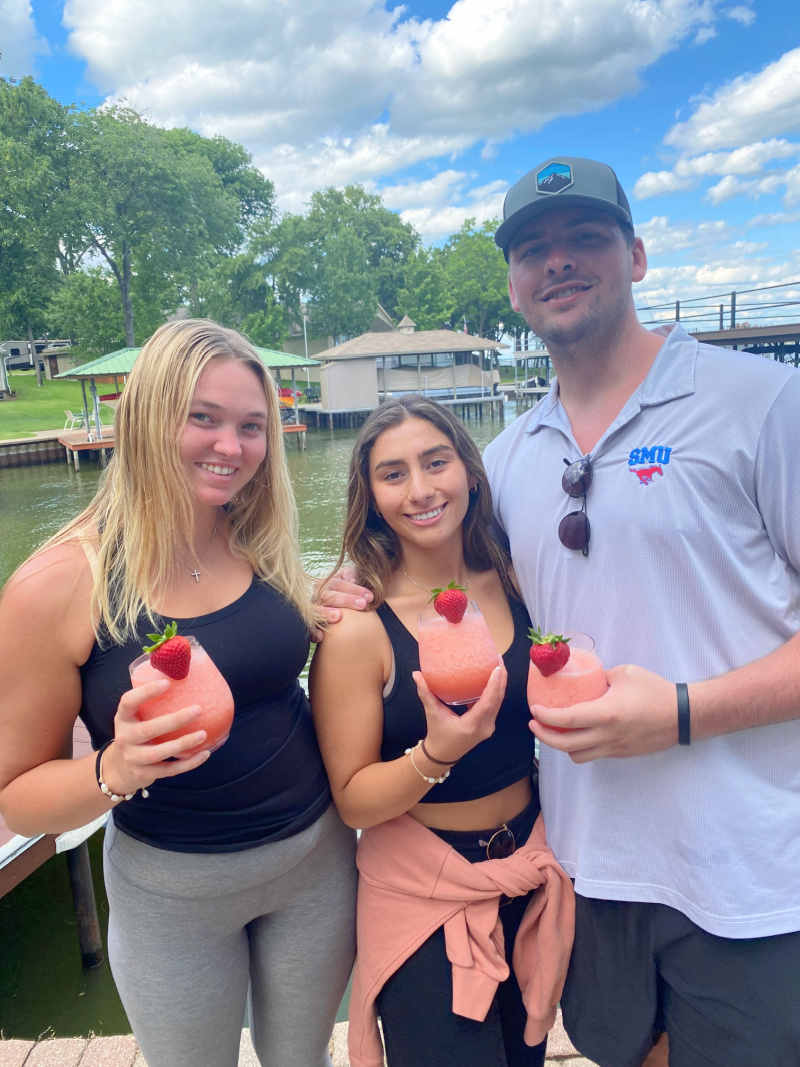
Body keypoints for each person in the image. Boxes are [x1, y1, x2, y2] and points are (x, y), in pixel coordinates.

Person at [323, 157, 800, 1067]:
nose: (559, 262)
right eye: (533, 249)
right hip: (585, 865)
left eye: (586, 237)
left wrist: (685, 711)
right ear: (513, 283)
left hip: (745, 869)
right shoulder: (503, 463)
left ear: (639, 255)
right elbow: (434, 568)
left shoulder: (763, 405)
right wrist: (340, 590)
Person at [0, 320, 357, 1067]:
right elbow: (18, 797)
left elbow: (268, 657)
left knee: (305, 1061)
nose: (232, 446)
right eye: (203, 416)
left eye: (251, 426)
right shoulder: (59, 584)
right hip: (172, 893)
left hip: (314, 863)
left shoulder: (257, 534)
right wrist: (114, 770)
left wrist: (329, 616)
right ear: (147, 415)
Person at [310, 395, 574, 1067]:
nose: (421, 489)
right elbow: (352, 797)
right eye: (393, 473)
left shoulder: (519, 580)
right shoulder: (358, 630)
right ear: (369, 495)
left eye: (436, 462)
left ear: (471, 473)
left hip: (527, 871)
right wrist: (435, 754)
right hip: (422, 891)